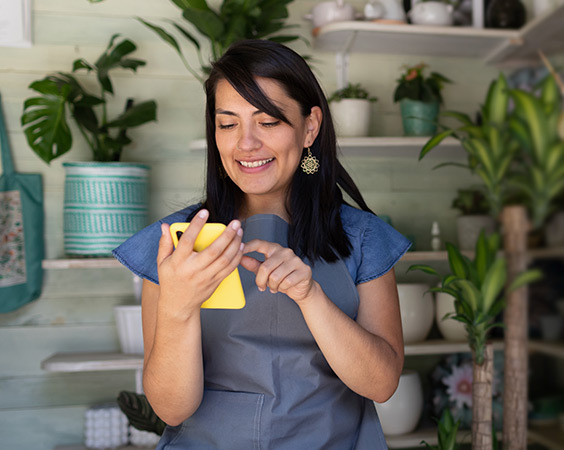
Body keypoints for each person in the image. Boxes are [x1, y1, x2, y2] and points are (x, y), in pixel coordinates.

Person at [112, 39, 410, 449]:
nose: (246, 143)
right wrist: (178, 308)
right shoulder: (177, 244)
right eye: (228, 123)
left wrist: (310, 297)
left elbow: (381, 384)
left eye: (268, 121)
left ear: (310, 127)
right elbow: (171, 409)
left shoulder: (363, 238)